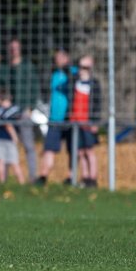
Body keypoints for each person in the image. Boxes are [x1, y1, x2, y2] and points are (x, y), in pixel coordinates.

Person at [0, 38, 40, 181]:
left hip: (23, 112)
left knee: (28, 146)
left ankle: (32, 178)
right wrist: (1, 102)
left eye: (16, 47)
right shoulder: (5, 67)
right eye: (11, 48)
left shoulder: (27, 66)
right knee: (8, 144)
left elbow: (35, 88)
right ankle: (5, 179)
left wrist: (30, 107)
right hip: (9, 114)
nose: (14, 50)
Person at [36, 48, 74, 185]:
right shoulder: (54, 74)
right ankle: (43, 176)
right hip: (54, 118)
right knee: (49, 148)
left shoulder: (73, 73)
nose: (57, 60)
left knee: (72, 148)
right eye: (56, 57)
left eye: (60, 57)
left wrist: (68, 67)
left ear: (66, 58)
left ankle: (71, 176)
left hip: (69, 118)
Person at [71, 55, 103, 187]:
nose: (82, 70)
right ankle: (84, 177)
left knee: (89, 150)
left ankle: (93, 178)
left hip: (88, 122)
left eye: (85, 67)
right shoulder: (75, 83)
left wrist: (95, 121)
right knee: (80, 151)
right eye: (80, 67)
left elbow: (97, 104)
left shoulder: (94, 84)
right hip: (76, 122)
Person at [0, 91, 26, 185]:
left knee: (0, 161)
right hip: (9, 139)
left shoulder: (0, 110)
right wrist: (15, 137)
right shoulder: (13, 110)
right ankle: (21, 182)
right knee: (14, 162)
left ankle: (2, 182)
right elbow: (8, 125)